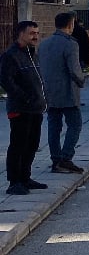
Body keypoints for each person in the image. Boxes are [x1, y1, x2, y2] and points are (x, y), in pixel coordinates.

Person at [2, 21, 48, 195]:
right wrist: (25, 97)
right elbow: (7, 81)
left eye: (37, 33)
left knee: (32, 143)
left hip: (36, 107)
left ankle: (25, 177)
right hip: (20, 108)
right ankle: (14, 182)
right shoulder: (11, 55)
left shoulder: (33, 54)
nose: (35, 36)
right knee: (18, 144)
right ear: (21, 34)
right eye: (31, 33)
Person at [38, 12, 87, 175]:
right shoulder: (70, 44)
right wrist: (81, 80)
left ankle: (55, 159)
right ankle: (66, 158)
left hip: (49, 92)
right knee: (75, 124)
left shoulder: (44, 44)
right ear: (70, 24)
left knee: (54, 126)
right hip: (68, 92)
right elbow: (74, 69)